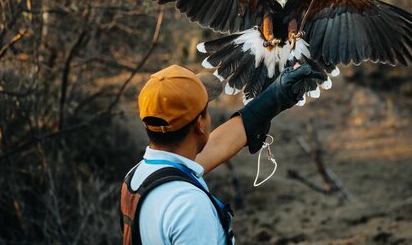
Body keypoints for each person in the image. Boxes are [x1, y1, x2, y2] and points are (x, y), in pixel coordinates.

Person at [120, 64, 324, 244]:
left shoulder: (140, 176)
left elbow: (219, 144)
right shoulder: (189, 207)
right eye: (206, 109)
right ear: (200, 124)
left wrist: (276, 96)